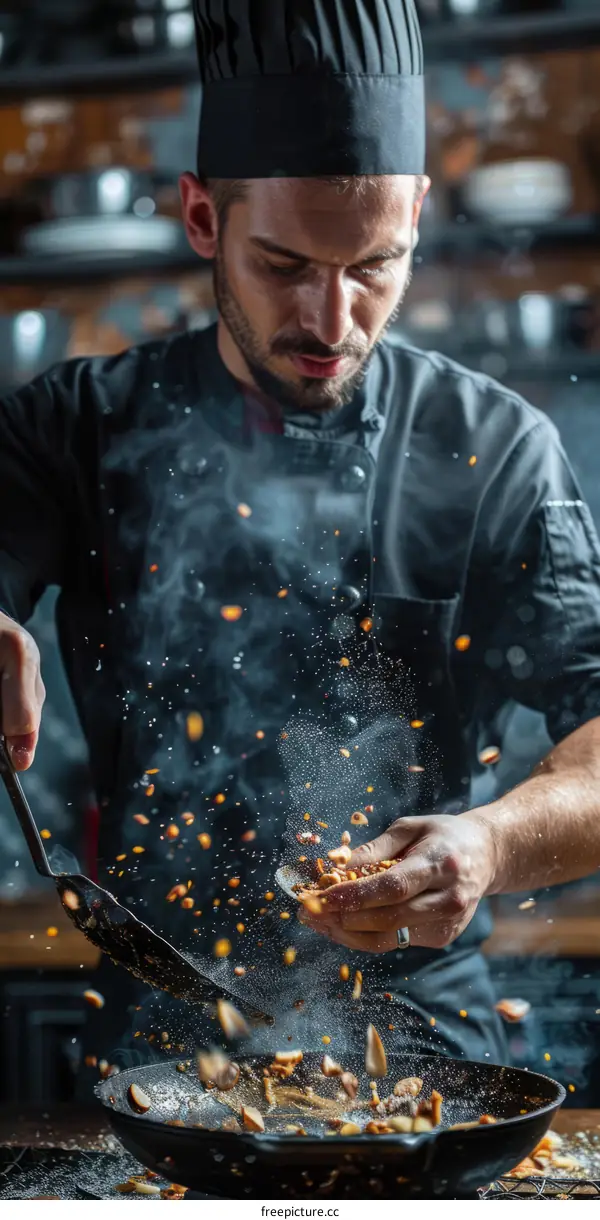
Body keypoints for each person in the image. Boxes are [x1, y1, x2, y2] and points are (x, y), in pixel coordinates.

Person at [1, 0, 600, 1078]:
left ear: (418, 210)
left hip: (422, 1029)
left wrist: (492, 842)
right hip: (158, 1019)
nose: (332, 322)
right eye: (284, 265)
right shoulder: (74, 426)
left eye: (375, 263)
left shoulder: (498, 448)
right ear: (201, 219)